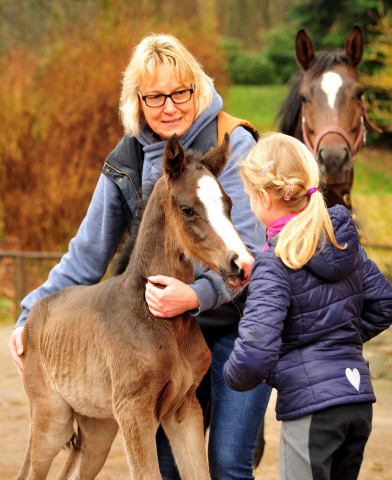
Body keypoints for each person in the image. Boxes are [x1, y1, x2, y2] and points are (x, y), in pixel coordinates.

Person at [8, 33, 271, 479]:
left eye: (180, 92)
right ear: (139, 101)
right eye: (155, 96)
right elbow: (87, 254)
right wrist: (30, 313)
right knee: (167, 468)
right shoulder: (125, 160)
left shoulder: (232, 142)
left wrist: (195, 295)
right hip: (158, 331)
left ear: (197, 88)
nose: (170, 106)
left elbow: (247, 249)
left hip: (234, 322)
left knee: (228, 462)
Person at [223, 132, 392, 480]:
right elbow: (384, 303)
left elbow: (255, 352)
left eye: (250, 197)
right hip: (357, 401)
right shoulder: (343, 244)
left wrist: (230, 377)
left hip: (312, 410)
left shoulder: (275, 261)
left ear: (265, 197)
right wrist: (337, 341)